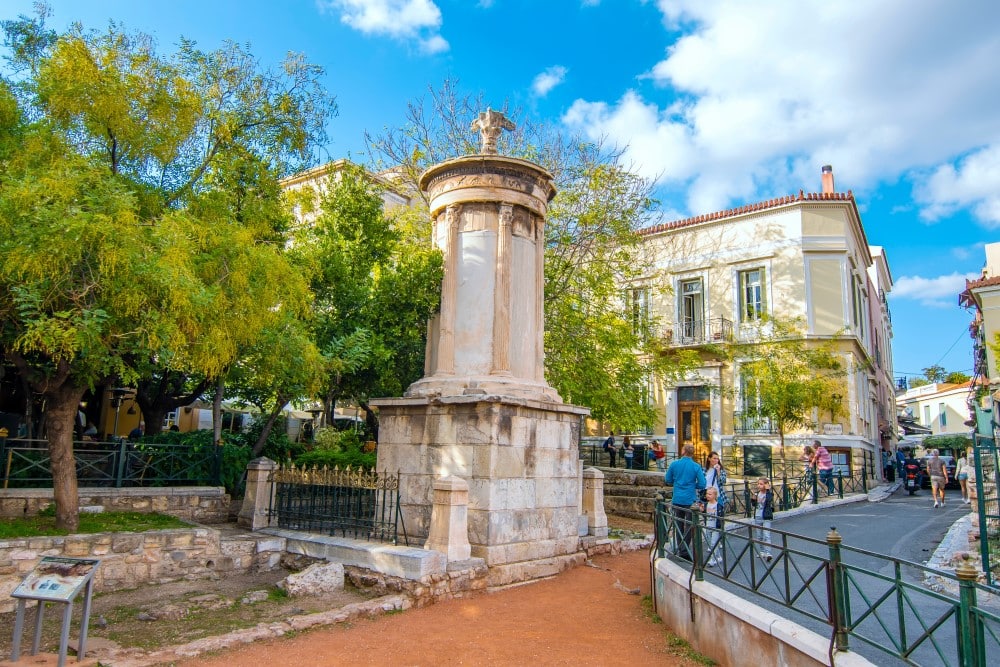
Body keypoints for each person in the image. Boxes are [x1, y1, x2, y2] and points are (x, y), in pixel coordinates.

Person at [665, 443, 707, 561]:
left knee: (678, 524)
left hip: (677, 497)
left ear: (683, 451)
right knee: (689, 525)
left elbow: (667, 479)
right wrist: (693, 485)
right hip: (690, 499)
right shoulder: (695, 466)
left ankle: (681, 549)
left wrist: (677, 482)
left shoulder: (674, 464)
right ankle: (684, 549)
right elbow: (703, 484)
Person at [750, 477, 775, 562]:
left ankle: (768, 553)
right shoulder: (757, 494)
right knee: (759, 536)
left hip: (766, 517)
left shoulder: (769, 494)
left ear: (766, 485)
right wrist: (752, 499)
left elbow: (769, 500)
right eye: (758, 484)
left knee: (766, 535)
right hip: (757, 517)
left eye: (761, 484)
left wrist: (768, 490)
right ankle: (762, 551)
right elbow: (754, 505)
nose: (759, 486)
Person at [702, 485, 724, 567]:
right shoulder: (706, 505)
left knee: (713, 543)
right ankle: (718, 556)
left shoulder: (718, 506)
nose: (708, 495)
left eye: (710, 494)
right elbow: (704, 514)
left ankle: (712, 560)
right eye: (707, 494)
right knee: (709, 542)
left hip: (716, 527)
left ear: (715, 495)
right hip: (708, 526)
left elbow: (721, 517)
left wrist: (720, 526)